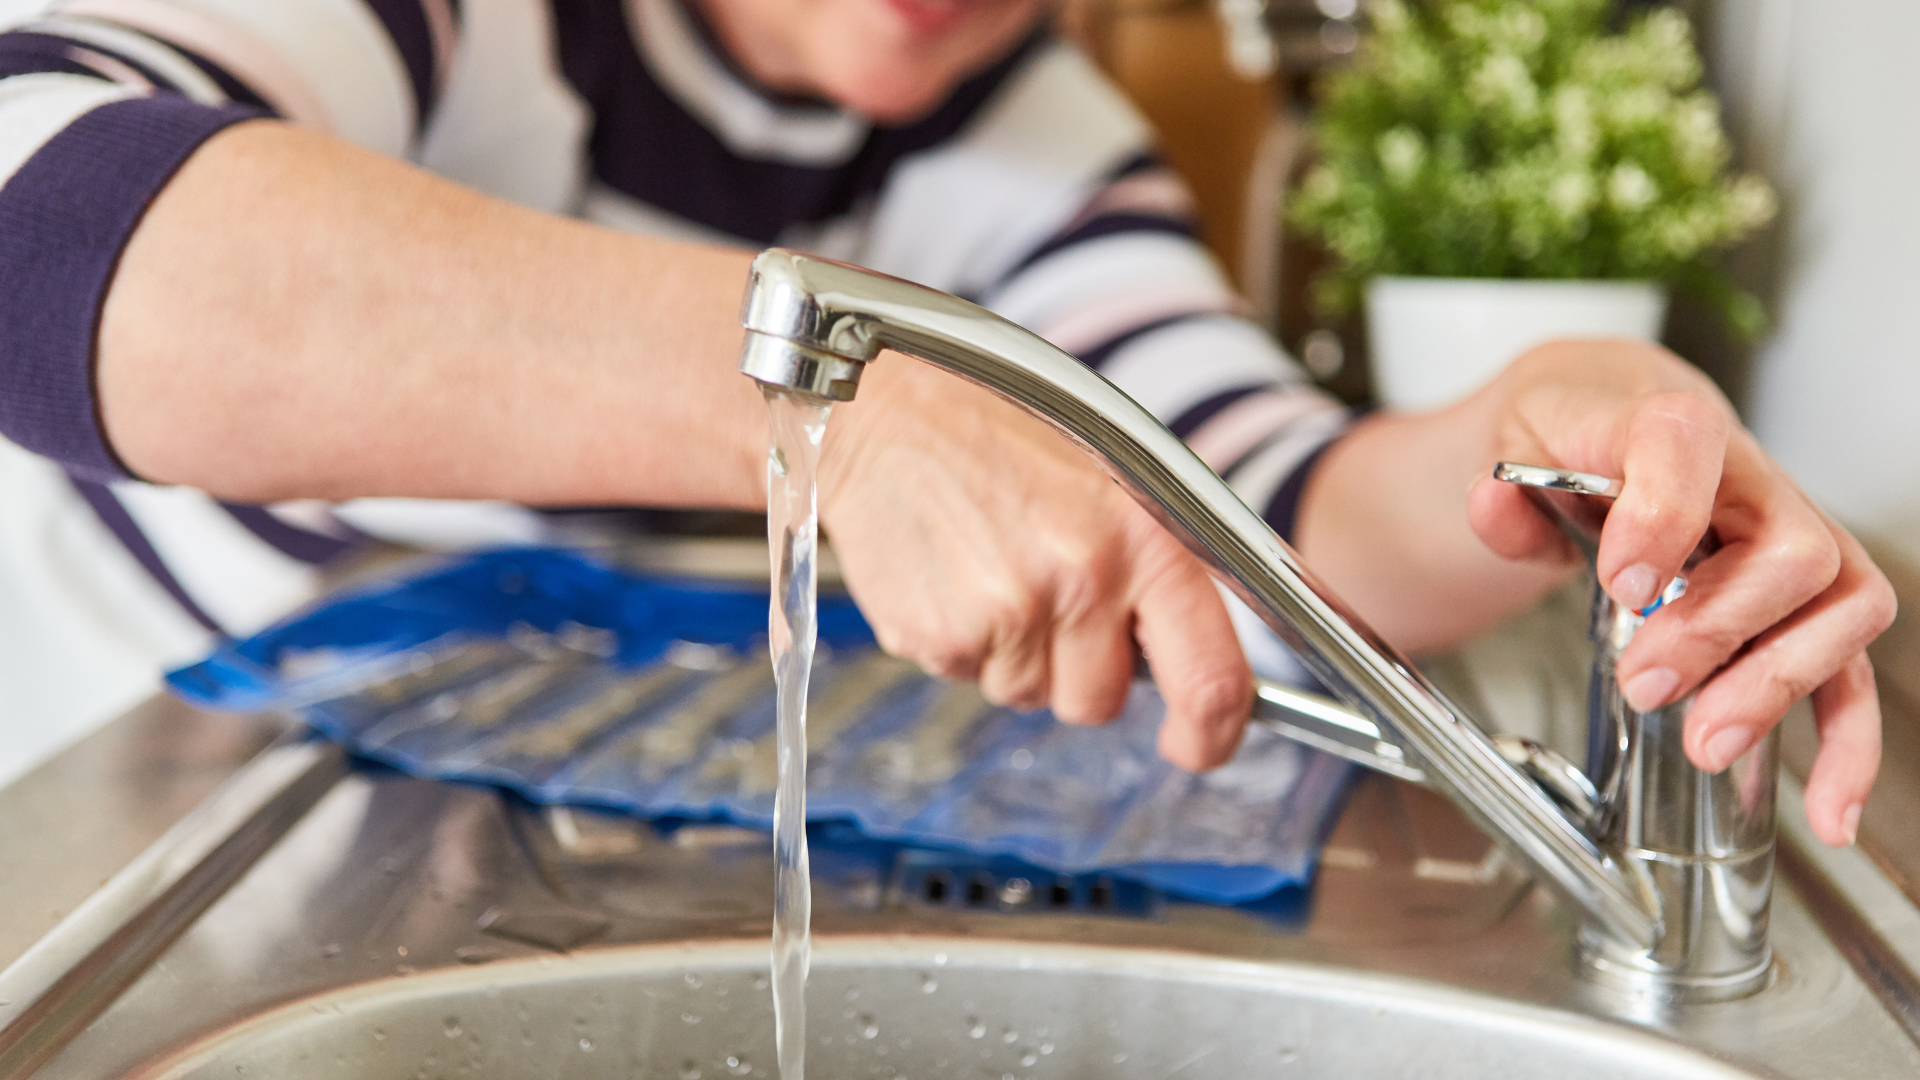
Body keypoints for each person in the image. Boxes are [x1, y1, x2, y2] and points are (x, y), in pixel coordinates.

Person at [0, 0, 1891, 846]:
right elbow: (38, 215)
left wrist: (1552, 427)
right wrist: (832, 403)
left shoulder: (1026, 139)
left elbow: (1253, 522)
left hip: (519, 839)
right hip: (134, 833)